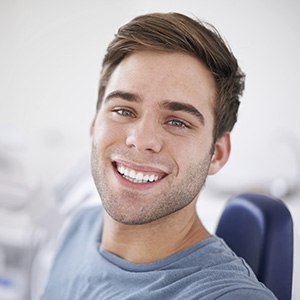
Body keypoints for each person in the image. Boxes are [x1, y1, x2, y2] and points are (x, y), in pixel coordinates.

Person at [41, 12, 277, 299]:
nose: (140, 140)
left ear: (217, 154)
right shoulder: (81, 226)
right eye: (123, 110)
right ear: (94, 125)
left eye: (177, 121)